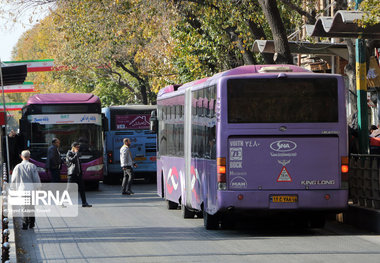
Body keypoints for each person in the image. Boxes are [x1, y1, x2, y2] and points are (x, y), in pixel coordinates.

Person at [10, 150, 41, 230]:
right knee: (31, 206)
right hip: (31, 189)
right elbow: (36, 178)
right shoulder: (32, 166)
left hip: (21, 189)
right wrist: (38, 187)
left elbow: (13, 179)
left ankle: (25, 224)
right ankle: (31, 223)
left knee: (24, 207)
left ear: (21, 156)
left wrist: (13, 188)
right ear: (29, 157)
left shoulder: (17, 167)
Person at [66, 142, 92, 207]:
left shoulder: (77, 154)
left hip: (78, 174)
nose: (78, 148)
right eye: (77, 147)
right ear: (73, 147)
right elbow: (72, 160)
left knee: (82, 189)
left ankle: (84, 203)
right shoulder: (69, 153)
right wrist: (76, 154)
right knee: (69, 189)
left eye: (78, 147)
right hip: (72, 174)